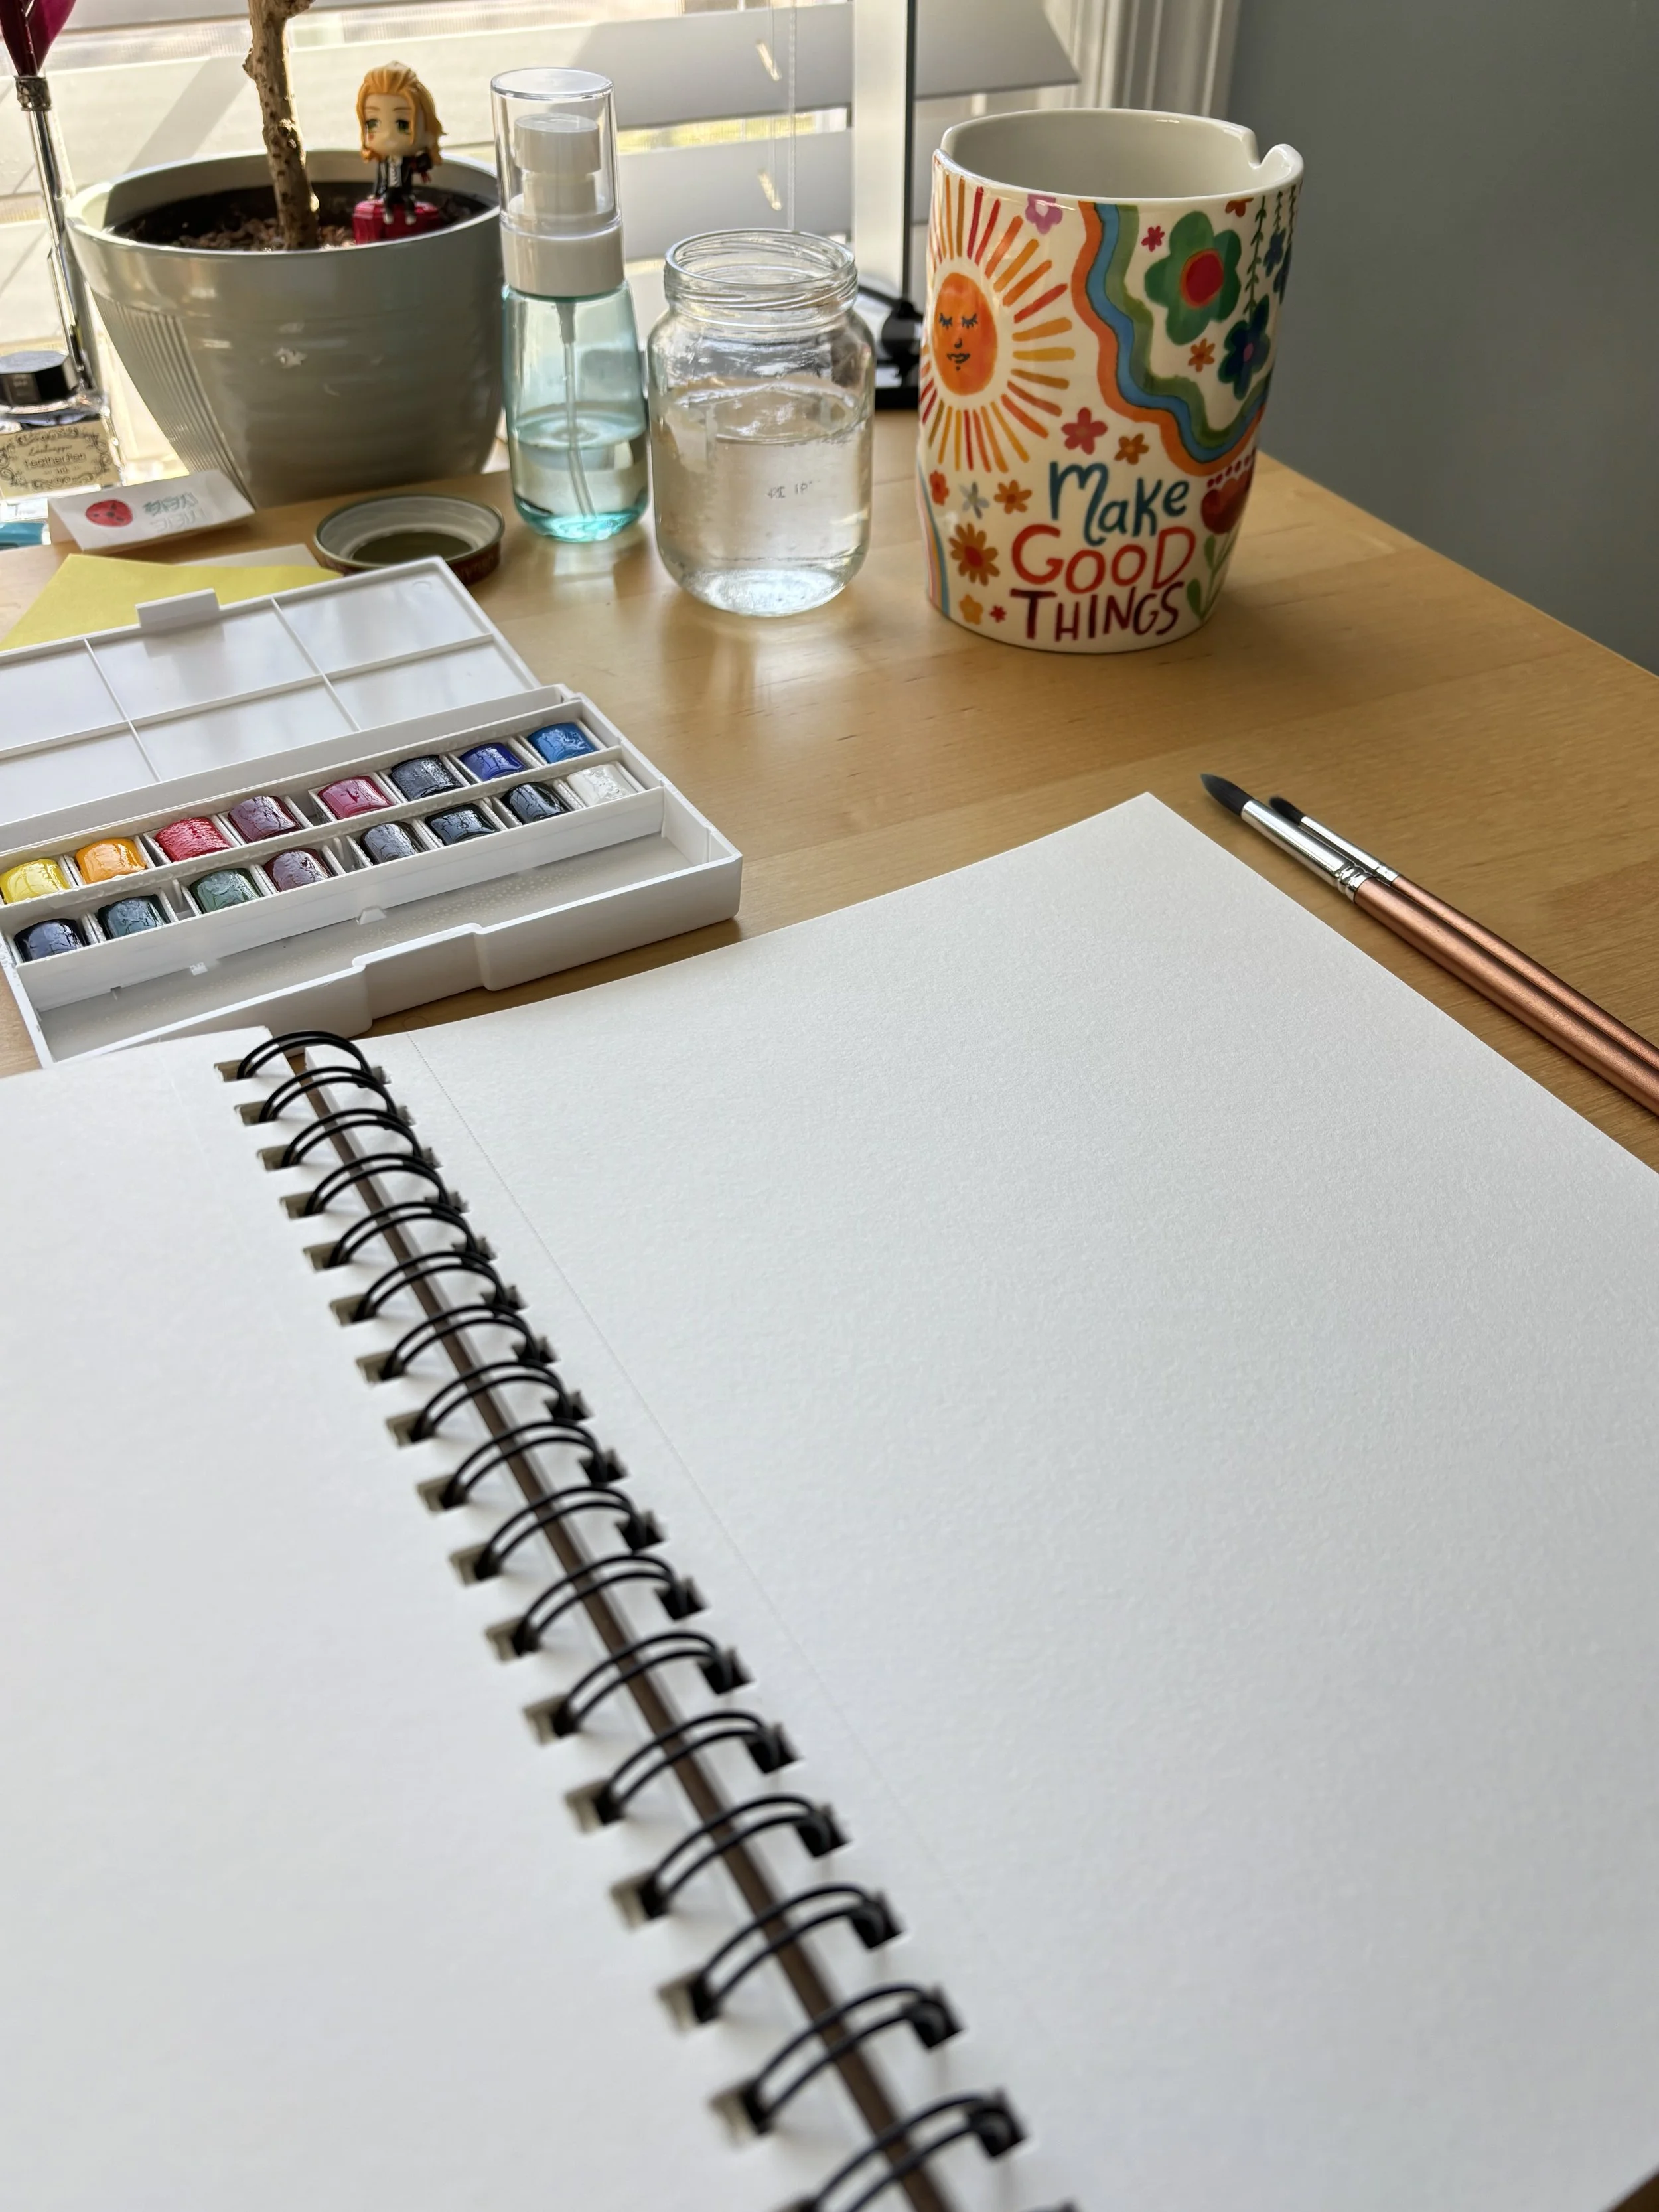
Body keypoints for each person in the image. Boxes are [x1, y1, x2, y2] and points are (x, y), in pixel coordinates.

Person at [356, 64, 443, 218]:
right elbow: (380, 178)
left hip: (405, 191)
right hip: (388, 191)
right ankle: (388, 215)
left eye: (403, 125)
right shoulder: (384, 162)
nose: (388, 135)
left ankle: (410, 216)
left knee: (408, 200)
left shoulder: (409, 162)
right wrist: (376, 194)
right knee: (387, 200)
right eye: (372, 124)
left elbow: (422, 166)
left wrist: (425, 157)